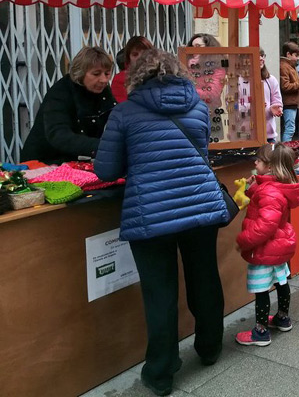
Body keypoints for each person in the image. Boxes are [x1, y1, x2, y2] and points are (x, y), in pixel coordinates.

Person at [94, 50, 228, 396]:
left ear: (135, 76)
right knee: (205, 279)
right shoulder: (199, 107)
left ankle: (161, 372)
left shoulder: (123, 113)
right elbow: (201, 152)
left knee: (160, 294)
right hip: (200, 207)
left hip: (151, 213)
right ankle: (210, 347)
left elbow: (106, 171)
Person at [235, 143, 299, 347]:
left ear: (271, 166)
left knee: (261, 289)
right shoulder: (273, 187)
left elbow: (264, 226)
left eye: (258, 160)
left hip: (266, 248)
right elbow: (264, 202)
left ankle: (261, 332)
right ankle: (283, 318)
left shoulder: (269, 192)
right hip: (279, 245)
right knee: (281, 281)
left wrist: (243, 240)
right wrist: (253, 186)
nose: (254, 162)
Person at [21, 46, 116, 164]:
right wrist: (101, 146)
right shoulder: (60, 93)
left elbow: (114, 118)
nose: (103, 80)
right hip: (44, 161)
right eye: (96, 74)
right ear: (80, 73)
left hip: (75, 161)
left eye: (107, 74)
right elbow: (58, 135)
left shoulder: (103, 92)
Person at [110, 36, 154, 102]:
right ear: (128, 58)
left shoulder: (161, 75)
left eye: (145, 53)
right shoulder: (120, 79)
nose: (140, 58)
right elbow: (121, 106)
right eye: (135, 54)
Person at [279, 42, 299, 142]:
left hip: (292, 102)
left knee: (289, 128)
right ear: (288, 54)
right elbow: (285, 86)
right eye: (296, 55)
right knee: (289, 129)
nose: (298, 58)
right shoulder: (284, 66)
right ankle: (285, 151)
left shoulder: (290, 65)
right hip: (288, 103)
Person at [259, 49, 283, 143]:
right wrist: (252, 106)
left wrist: (275, 107)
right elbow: (232, 106)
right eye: (257, 55)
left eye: (262, 55)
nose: (261, 59)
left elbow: (277, 100)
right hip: (245, 136)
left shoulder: (271, 80)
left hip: (268, 134)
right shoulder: (238, 80)